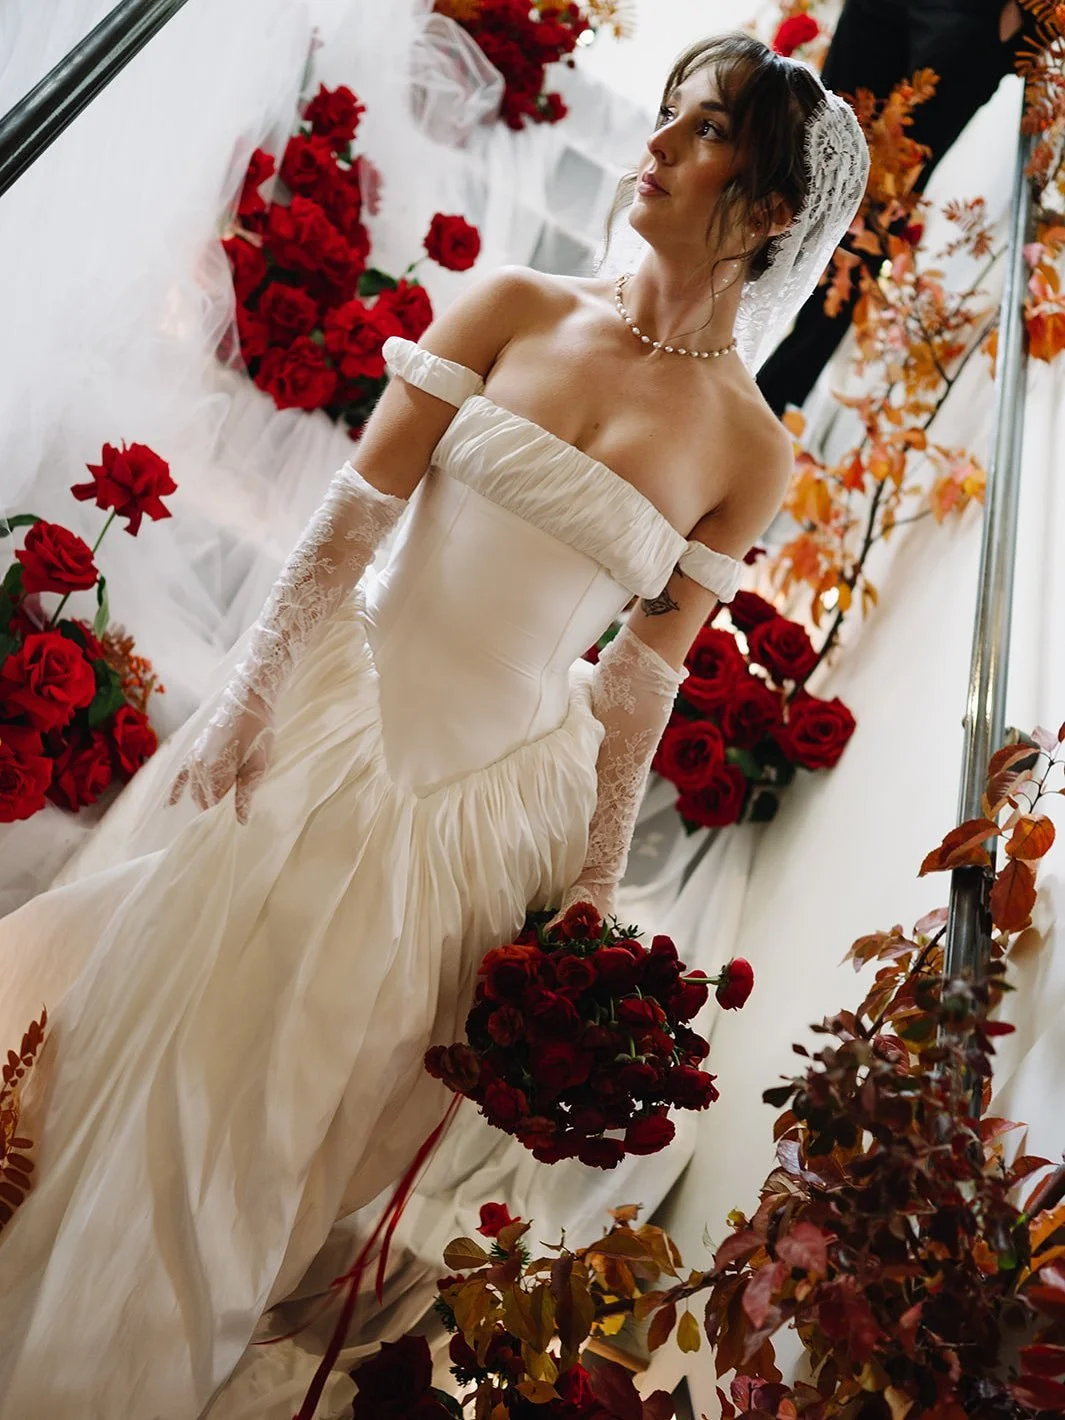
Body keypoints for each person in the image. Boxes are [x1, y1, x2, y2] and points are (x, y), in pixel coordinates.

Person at [0, 33, 868, 1418]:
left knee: (297, 1113)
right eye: (660, 117)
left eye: (696, 132)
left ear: (767, 209)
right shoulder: (516, 303)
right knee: (175, 1041)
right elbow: (354, 516)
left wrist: (590, 879)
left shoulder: (752, 450)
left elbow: (642, 675)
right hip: (337, 715)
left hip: (491, 802)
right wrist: (251, 690)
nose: (649, 146)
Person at [757, 0, 1031, 416]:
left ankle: (763, 405)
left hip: (973, 14)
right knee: (811, 162)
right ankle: (703, 354)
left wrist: (1009, 24)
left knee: (876, 216)